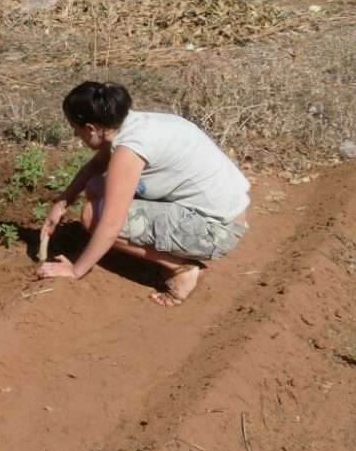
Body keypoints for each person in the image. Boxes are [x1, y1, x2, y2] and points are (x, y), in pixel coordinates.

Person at [36, 81, 250, 306]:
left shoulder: (130, 148)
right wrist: (62, 203)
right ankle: (168, 254)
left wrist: (75, 270)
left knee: (93, 215)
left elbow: (110, 226)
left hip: (215, 230)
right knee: (97, 187)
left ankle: (183, 269)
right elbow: (96, 166)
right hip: (225, 211)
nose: (74, 133)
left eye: (75, 127)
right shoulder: (131, 122)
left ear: (90, 128)